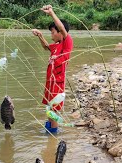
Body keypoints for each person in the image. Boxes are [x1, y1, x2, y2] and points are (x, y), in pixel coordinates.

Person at [32, 5, 73, 133]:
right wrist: (39, 35)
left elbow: (61, 27)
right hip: (50, 82)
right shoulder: (55, 46)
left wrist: (51, 13)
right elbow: (45, 47)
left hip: (58, 83)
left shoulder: (67, 43)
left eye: (53, 32)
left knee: (54, 109)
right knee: (49, 108)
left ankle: (52, 135)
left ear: (60, 33)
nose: (51, 35)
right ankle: (50, 128)